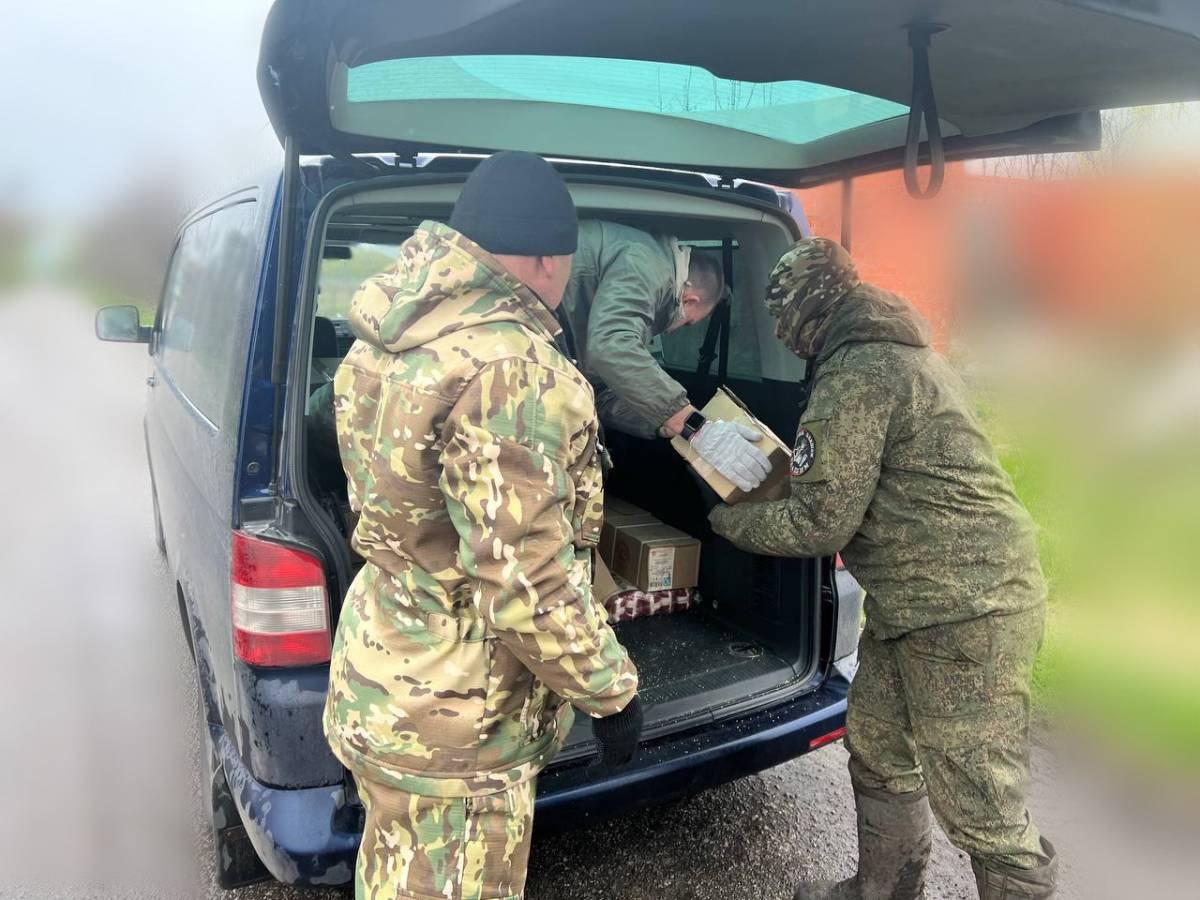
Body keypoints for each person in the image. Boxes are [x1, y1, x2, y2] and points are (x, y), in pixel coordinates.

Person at [323, 151, 642, 900]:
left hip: (384, 671)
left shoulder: (390, 330)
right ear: (546, 259)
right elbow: (523, 579)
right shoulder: (513, 369)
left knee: (395, 873)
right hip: (461, 717)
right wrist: (611, 692)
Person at [702, 238, 1057, 900]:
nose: (778, 332)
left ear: (807, 307)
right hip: (915, 601)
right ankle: (884, 892)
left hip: (966, 608)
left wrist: (724, 522)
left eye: (780, 315)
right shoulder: (892, 353)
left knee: (982, 803)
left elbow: (820, 523)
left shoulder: (860, 371)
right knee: (878, 749)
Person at [559, 219, 771, 493]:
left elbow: (599, 391)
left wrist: (663, 422)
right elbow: (610, 346)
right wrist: (690, 422)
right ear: (690, 299)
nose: (676, 330)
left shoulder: (637, 280)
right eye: (689, 322)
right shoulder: (648, 265)